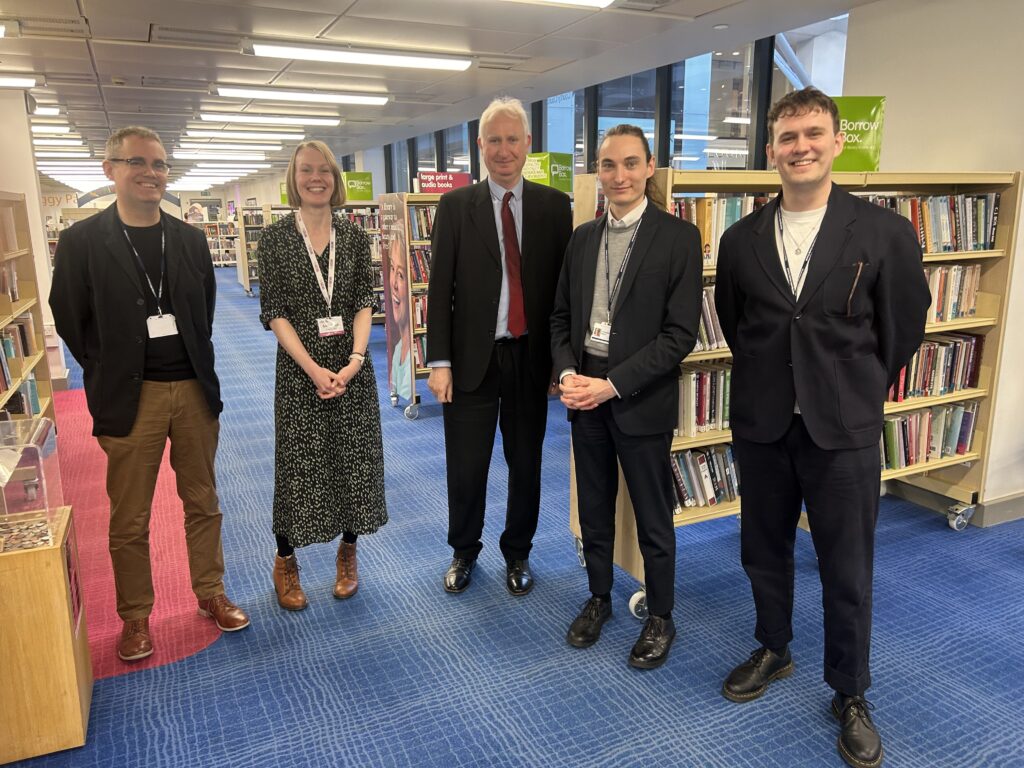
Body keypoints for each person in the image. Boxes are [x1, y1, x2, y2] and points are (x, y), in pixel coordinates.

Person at [714, 87, 930, 767]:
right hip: (764, 423)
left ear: (837, 142)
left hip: (844, 428)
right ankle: (774, 646)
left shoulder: (883, 232)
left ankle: (850, 690)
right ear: (770, 149)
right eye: (787, 137)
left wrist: (850, 384)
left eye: (813, 134)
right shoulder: (741, 238)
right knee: (763, 549)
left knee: (847, 566)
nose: (800, 147)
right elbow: (736, 321)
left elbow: (902, 329)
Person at [50, 126, 250, 663]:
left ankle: (210, 593)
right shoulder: (82, 242)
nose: (150, 172)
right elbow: (70, 316)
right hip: (127, 396)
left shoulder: (189, 239)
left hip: (191, 389)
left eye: (160, 164)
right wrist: (105, 365)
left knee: (203, 502)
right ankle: (135, 617)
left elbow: (202, 311)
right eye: (136, 162)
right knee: (129, 516)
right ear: (109, 169)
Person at [550, 124, 703, 669]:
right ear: (598, 170)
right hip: (584, 393)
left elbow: (679, 336)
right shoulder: (583, 238)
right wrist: (568, 372)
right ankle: (599, 598)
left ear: (650, 167)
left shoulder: (678, 238)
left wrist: (612, 384)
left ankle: (661, 615)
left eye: (630, 164)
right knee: (593, 508)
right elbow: (562, 318)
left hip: (636, 397)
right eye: (609, 165)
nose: (619, 176)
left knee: (652, 516)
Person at [426, 96, 572, 596]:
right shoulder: (455, 207)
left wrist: (561, 362)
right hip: (470, 361)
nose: (504, 149)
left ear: (528, 144)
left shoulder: (555, 208)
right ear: (480, 146)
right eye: (495, 140)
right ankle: (464, 551)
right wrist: (438, 361)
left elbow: (561, 294)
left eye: (513, 139)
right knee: (467, 466)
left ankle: (518, 553)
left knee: (526, 463)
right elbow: (438, 287)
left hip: (529, 359)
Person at [257, 140, 387, 611]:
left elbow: (362, 303)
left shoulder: (354, 238)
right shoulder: (273, 239)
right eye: (307, 171)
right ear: (294, 179)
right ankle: (286, 559)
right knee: (299, 465)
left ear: (336, 179)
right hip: (299, 374)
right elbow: (274, 312)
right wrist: (313, 369)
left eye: (325, 171)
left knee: (354, 462)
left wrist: (353, 362)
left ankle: (348, 553)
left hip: (351, 370)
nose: (316, 178)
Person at [384, 219, 413, 402]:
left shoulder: (414, 351)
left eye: (401, 275)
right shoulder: (398, 349)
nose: (393, 283)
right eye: (392, 269)